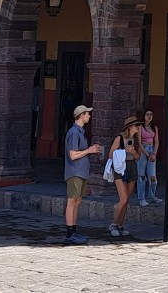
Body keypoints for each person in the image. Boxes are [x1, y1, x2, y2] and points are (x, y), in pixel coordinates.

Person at [63, 104, 102, 245]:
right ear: (81, 115)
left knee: (77, 201)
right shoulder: (74, 133)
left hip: (81, 172)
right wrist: (89, 150)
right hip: (75, 172)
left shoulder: (80, 132)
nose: (89, 116)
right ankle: (70, 233)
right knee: (72, 201)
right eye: (87, 114)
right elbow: (72, 155)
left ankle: (73, 231)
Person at [108, 115, 143, 238]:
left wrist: (133, 152)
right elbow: (111, 154)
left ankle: (120, 225)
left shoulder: (137, 140)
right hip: (120, 168)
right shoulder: (120, 138)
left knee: (126, 200)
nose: (138, 127)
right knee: (122, 199)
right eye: (136, 125)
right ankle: (114, 224)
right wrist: (124, 152)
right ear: (130, 127)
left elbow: (138, 157)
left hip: (132, 167)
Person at [137, 110, 163, 207]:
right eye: (147, 114)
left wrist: (154, 153)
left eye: (151, 114)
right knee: (142, 176)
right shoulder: (140, 127)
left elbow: (156, 141)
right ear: (143, 116)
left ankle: (152, 196)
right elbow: (139, 143)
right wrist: (147, 155)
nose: (149, 116)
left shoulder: (154, 127)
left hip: (152, 150)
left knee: (153, 177)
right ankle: (141, 198)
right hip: (143, 151)